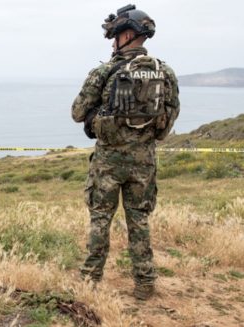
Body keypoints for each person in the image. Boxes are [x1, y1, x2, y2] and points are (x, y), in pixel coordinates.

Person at [71, 4, 180, 300]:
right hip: (143, 163)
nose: (112, 42)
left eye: (115, 36)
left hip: (108, 162)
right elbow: (167, 123)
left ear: (128, 34)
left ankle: (90, 280)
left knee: (100, 220)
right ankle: (144, 284)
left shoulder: (105, 71)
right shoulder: (165, 73)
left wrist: (100, 119)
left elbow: (77, 112)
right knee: (140, 220)